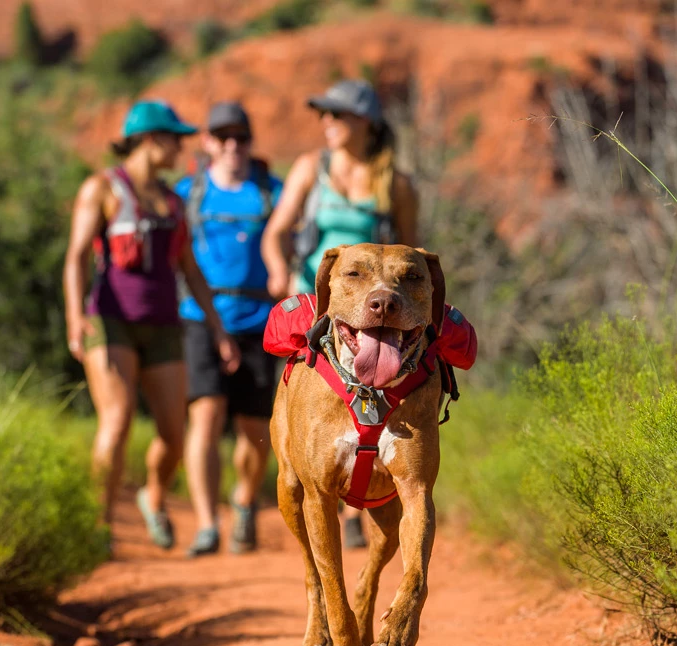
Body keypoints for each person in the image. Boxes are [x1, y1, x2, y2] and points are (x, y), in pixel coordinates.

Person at [63, 100, 240, 555]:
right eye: (175, 138)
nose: (180, 147)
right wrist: (75, 315)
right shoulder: (101, 189)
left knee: (174, 436)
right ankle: (96, 528)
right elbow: (78, 254)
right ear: (150, 139)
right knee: (117, 420)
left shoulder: (173, 200)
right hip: (111, 320)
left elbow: (190, 269)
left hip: (164, 324)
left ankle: (152, 495)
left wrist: (218, 329)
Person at [261, 79, 419, 548]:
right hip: (314, 314)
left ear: (365, 123)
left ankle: (356, 504)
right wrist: (278, 275)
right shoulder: (312, 169)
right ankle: (324, 491)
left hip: (373, 317)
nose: (327, 123)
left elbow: (411, 258)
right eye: (324, 115)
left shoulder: (398, 184)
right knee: (313, 415)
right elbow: (276, 233)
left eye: (337, 115)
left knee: (372, 399)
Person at [175, 102, 283, 556]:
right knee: (205, 415)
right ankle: (206, 524)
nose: (232, 145)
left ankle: (243, 501)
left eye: (241, 136)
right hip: (200, 317)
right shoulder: (187, 192)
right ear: (208, 143)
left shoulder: (272, 191)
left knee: (256, 432)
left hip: (260, 321)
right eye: (223, 137)